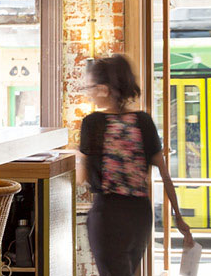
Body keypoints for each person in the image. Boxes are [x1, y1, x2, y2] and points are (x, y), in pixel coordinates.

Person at [76, 54, 193, 276]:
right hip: (140, 215)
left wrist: (77, 155)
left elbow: (82, 178)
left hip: (108, 215)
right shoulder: (143, 121)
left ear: (104, 89)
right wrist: (178, 217)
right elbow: (165, 175)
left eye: (91, 87)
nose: (89, 92)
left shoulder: (92, 124)